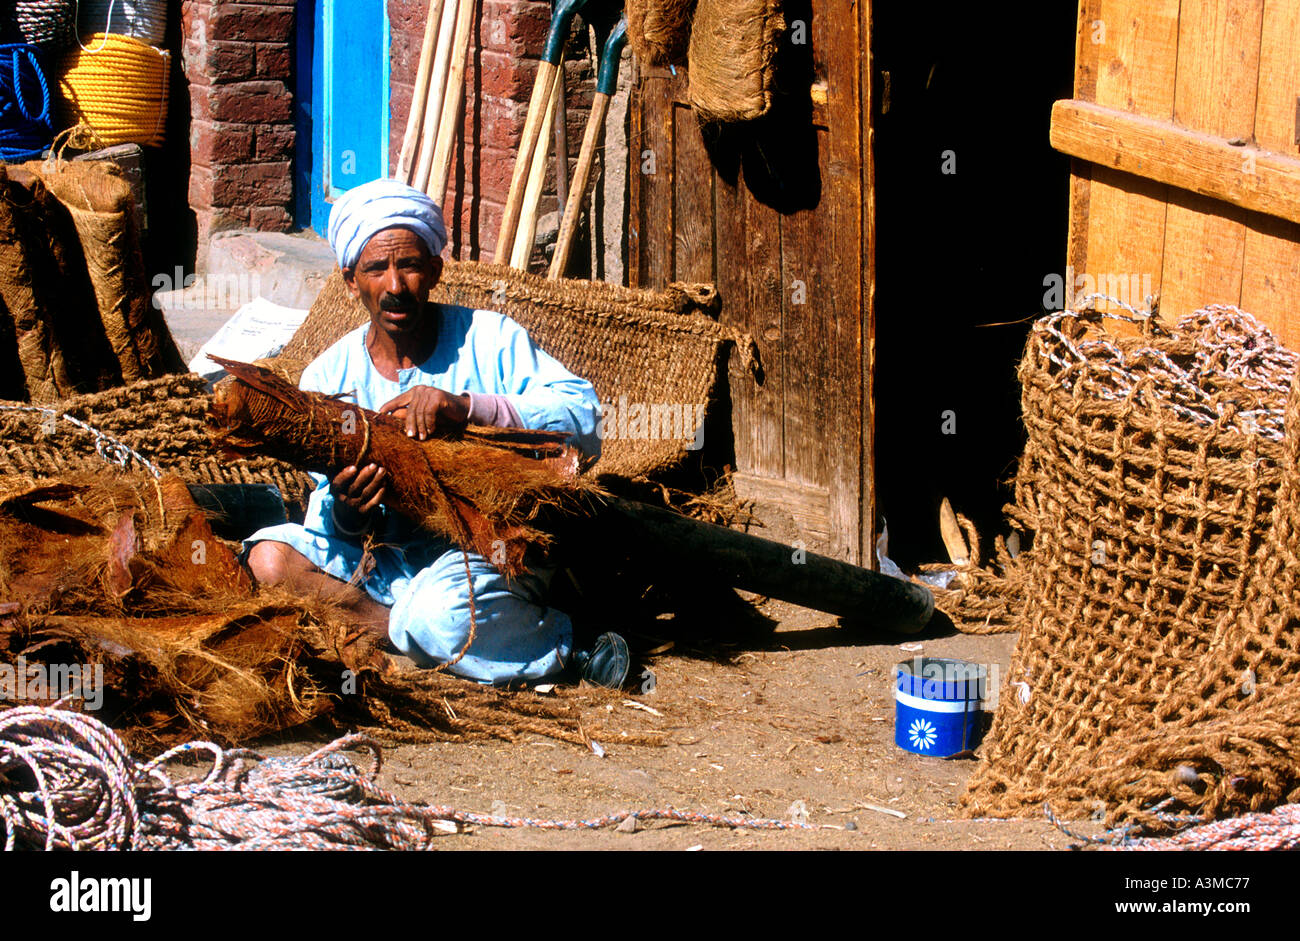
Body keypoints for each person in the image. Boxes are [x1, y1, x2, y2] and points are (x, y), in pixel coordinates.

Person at [244, 178, 629, 688]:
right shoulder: (327, 378)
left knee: (440, 614)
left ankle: (566, 643)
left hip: (490, 552)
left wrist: (467, 408)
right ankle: (416, 633)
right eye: (376, 268)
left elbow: (584, 416)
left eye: (408, 265)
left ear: (435, 271)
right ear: (349, 280)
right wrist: (346, 509)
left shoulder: (490, 339)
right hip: (382, 565)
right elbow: (325, 525)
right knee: (269, 558)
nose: (395, 285)